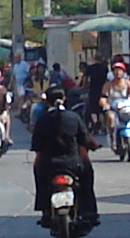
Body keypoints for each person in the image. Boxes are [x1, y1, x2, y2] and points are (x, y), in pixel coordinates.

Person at [28, 84, 99, 230]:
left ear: (47, 101)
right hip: (73, 164)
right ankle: (89, 211)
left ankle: (44, 208)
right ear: (64, 99)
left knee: (40, 179)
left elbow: (36, 144)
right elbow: (85, 139)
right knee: (87, 178)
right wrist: (93, 146)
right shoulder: (74, 117)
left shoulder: (42, 120)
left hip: (49, 165)